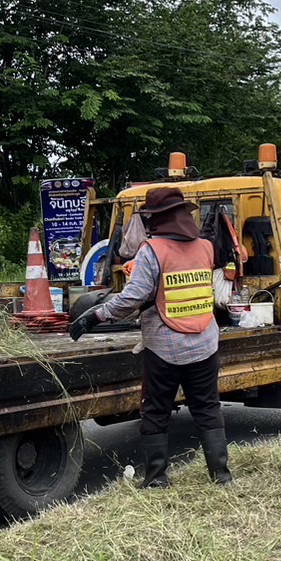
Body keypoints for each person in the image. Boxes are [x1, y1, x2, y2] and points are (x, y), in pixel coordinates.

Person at [70, 186, 231, 487]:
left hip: (165, 348)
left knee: (156, 411)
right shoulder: (205, 247)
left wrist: (96, 315)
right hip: (204, 343)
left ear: (158, 219)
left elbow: (134, 297)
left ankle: (157, 479)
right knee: (208, 408)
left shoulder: (152, 251)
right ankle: (221, 476)